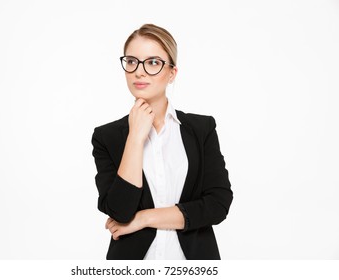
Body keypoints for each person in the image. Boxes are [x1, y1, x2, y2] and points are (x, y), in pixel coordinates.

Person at [91, 23, 233, 260]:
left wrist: (144, 219)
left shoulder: (201, 129)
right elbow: (119, 211)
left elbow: (217, 204)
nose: (139, 71)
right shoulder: (107, 137)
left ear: (171, 73)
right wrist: (135, 137)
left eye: (153, 62)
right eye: (131, 61)